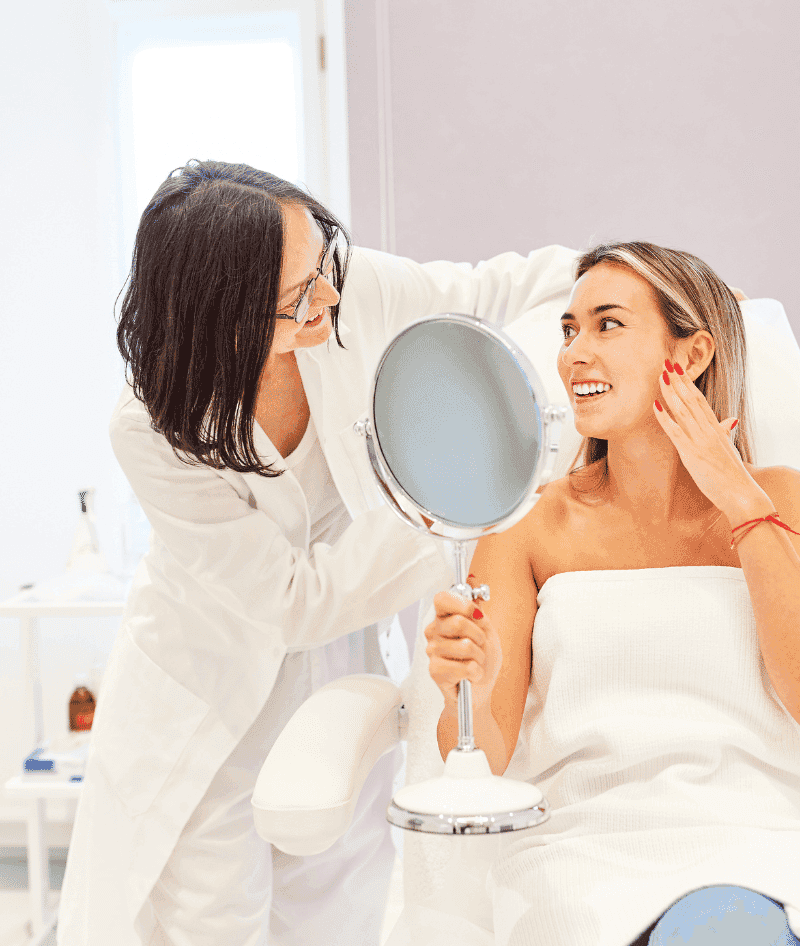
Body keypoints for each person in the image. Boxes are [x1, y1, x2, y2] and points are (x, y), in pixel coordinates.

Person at [56, 160, 577, 946]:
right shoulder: (151, 427)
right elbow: (292, 604)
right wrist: (445, 497)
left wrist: (642, 283)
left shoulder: (346, 290)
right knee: (209, 918)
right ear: (222, 322)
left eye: (322, 265)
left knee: (340, 909)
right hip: (205, 689)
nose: (329, 298)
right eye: (298, 298)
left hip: (336, 668)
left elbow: (502, 290)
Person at [425, 242, 800, 945]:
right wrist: (464, 684)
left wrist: (739, 502)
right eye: (569, 331)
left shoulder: (782, 501)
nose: (573, 355)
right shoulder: (528, 524)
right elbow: (484, 755)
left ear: (689, 358)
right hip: (581, 857)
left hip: (757, 843)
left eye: (607, 324)